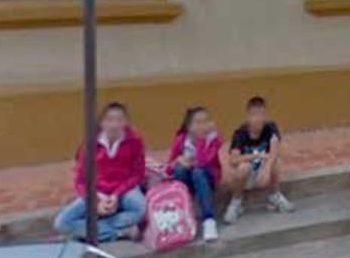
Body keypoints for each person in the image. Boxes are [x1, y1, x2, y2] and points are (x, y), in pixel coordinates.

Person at [54, 102, 147, 243]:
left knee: (140, 209)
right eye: (110, 120)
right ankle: (118, 233)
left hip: (124, 189)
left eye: (119, 120)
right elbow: (80, 180)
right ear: (102, 123)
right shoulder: (91, 144)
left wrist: (116, 195)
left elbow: (137, 173)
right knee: (61, 223)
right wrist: (96, 201)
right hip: (96, 191)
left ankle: (88, 232)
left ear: (126, 122)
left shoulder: (135, 141)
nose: (114, 125)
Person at [222, 96, 294, 223]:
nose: (258, 118)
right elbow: (233, 160)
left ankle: (274, 195)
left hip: (263, 173)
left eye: (261, 114)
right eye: (254, 114)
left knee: (274, 160)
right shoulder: (240, 134)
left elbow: (274, 149)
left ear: (266, 115)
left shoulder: (271, 128)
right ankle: (236, 202)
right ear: (248, 116)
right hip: (246, 177)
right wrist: (256, 156)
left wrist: (266, 169)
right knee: (244, 167)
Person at [167, 106, 223, 241]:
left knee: (198, 172)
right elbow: (168, 169)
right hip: (189, 180)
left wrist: (201, 141)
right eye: (198, 122)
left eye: (206, 121)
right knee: (180, 170)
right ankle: (185, 208)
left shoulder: (214, 139)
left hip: (208, 177)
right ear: (189, 126)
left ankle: (209, 221)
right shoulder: (181, 140)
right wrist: (178, 161)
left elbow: (204, 162)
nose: (203, 126)